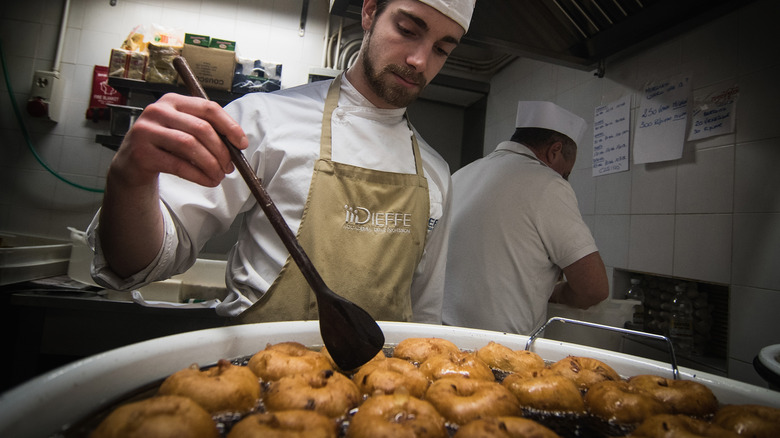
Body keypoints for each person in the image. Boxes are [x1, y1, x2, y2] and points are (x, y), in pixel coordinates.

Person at [86, 0, 476, 324]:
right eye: (408, 30)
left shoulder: (436, 174)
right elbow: (142, 262)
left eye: (442, 48)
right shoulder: (263, 121)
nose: (419, 60)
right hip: (259, 380)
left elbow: (424, 318)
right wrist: (130, 179)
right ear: (370, 12)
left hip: (378, 399)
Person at [442, 101, 609, 334]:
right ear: (554, 151)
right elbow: (594, 289)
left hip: (440, 339)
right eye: (566, 172)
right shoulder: (549, 184)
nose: (564, 178)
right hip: (499, 351)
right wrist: (558, 292)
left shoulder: (460, 175)